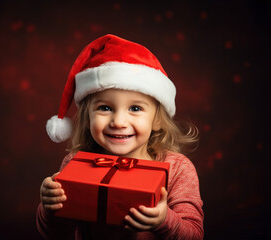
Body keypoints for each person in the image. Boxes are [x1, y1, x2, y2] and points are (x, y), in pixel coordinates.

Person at [36, 34, 204, 239]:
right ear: (87, 118)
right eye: (105, 108)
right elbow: (55, 235)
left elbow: (194, 235)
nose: (118, 122)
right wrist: (50, 207)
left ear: (157, 120)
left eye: (135, 108)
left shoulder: (177, 168)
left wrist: (164, 220)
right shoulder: (74, 163)